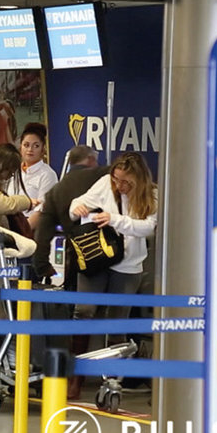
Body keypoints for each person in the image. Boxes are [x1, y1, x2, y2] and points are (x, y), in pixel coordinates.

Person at [68, 152, 158, 399]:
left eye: (126, 182)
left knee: (118, 323)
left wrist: (114, 220)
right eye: (116, 179)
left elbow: (148, 228)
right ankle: (75, 377)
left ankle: (111, 382)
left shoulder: (153, 195)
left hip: (129, 266)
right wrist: (77, 209)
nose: (119, 186)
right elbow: (76, 204)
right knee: (83, 312)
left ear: (139, 179)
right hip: (97, 259)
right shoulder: (105, 184)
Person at [32, 145, 109, 285]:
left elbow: (43, 233)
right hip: (110, 251)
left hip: (77, 257)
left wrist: (42, 266)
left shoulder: (55, 192)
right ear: (90, 159)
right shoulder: (104, 176)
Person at [11, 122, 58, 225]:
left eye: (36, 146)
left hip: (31, 226)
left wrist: (24, 230)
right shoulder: (13, 171)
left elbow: (42, 210)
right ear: (20, 147)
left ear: (42, 149)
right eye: (26, 145)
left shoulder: (48, 174)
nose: (30, 150)